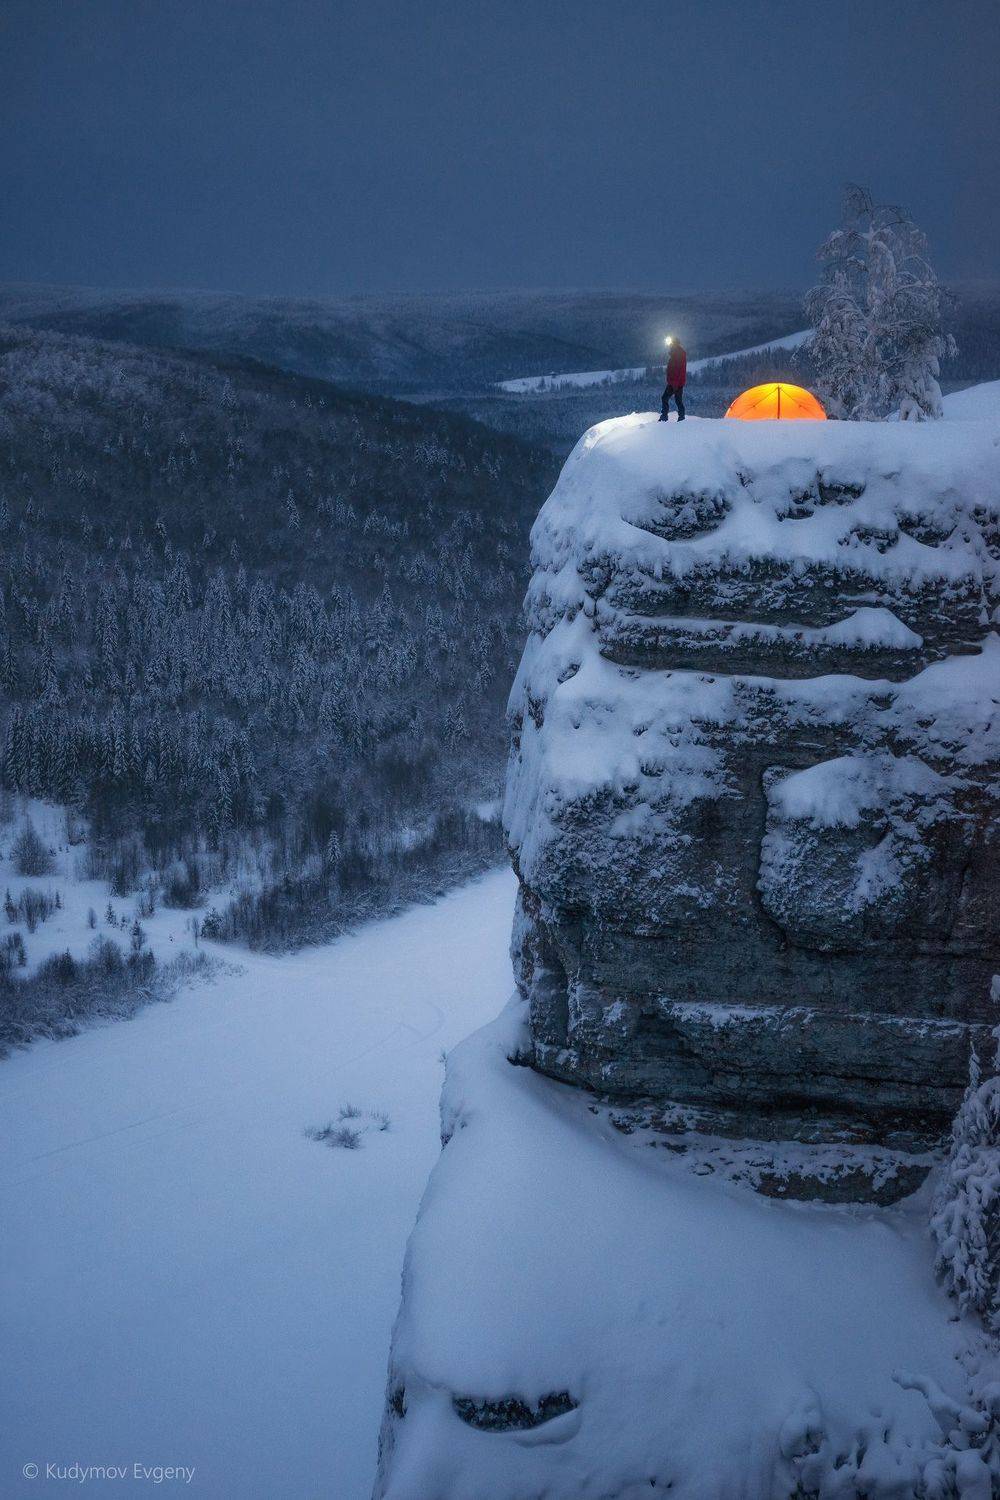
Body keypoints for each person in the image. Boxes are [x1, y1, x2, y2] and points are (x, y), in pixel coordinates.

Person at [659, 337, 687, 421]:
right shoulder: (678, 354)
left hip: (675, 382)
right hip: (677, 382)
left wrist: (674, 383)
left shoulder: (678, 355)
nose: (669, 346)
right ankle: (681, 417)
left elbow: (678, 369)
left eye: (670, 344)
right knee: (678, 400)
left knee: (665, 398)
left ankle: (665, 417)